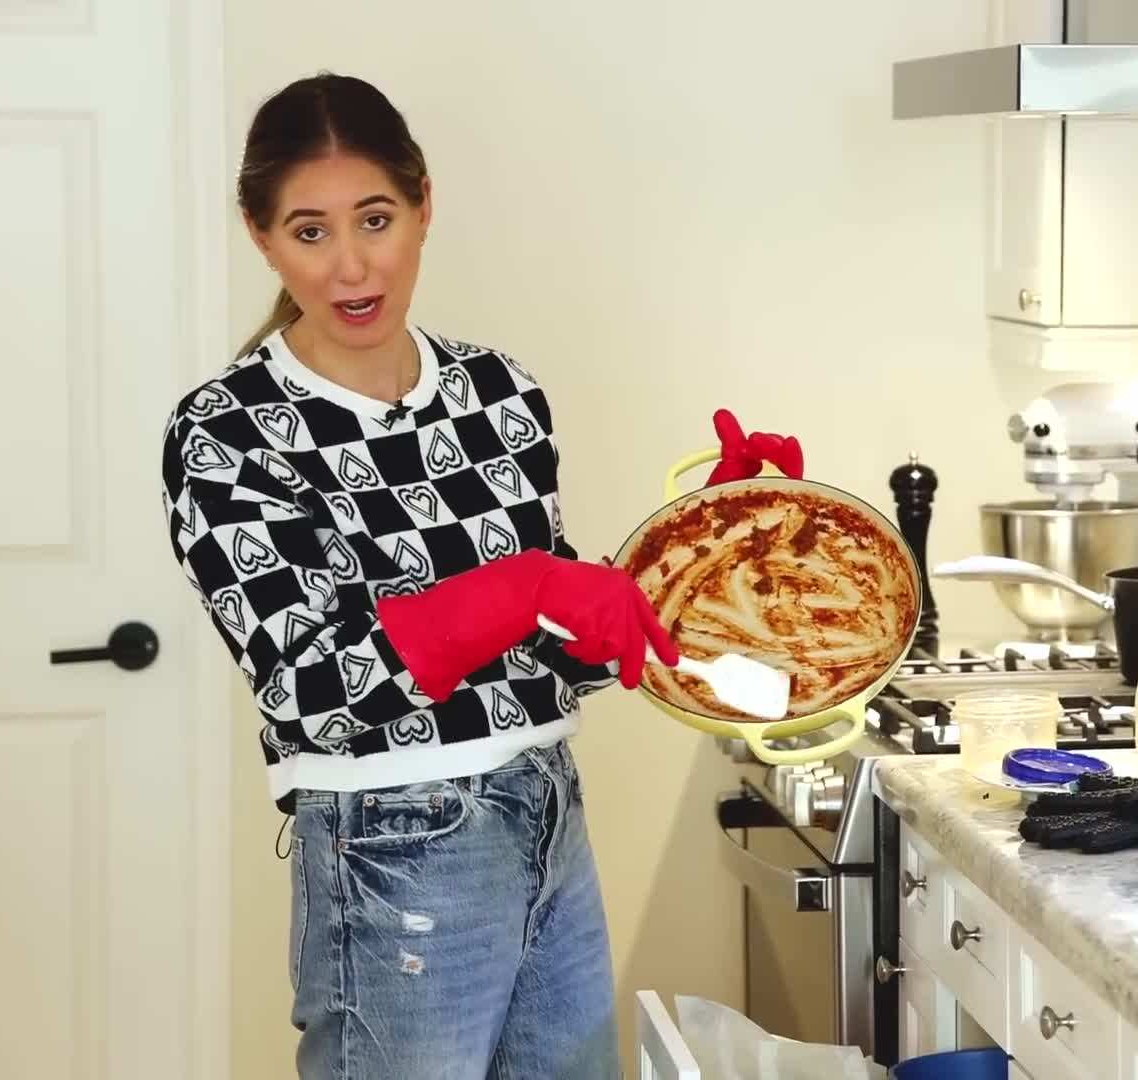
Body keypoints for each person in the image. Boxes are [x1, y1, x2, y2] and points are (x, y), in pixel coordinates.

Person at [159, 72, 798, 1079]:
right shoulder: (228, 433)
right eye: (309, 231)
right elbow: (314, 691)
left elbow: (551, 654)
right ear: (261, 236)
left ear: (423, 204)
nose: (352, 263)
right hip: (389, 843)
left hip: (546, 813)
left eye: (376, 219)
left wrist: (701, 545)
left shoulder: (499, 394)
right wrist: (525, 588)